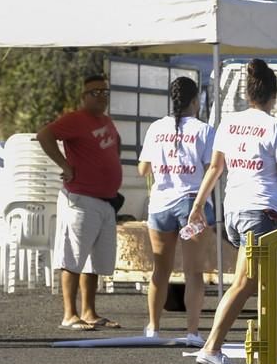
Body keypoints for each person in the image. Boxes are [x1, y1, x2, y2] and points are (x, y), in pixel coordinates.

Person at [188, 59, 277, 364]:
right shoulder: (276, 126)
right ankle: (212, 347)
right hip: (263, 210)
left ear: (247, 93)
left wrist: (198, 204)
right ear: (273, 94)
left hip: (235, 209)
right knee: (245, 282)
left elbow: (215, 168)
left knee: (264, 282)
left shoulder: (228, 122)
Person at [37, 74, 122, 331]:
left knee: (93, 261)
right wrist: (65, 165)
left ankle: (89, 311)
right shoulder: (76, 119)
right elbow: (45, 135)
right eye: (95, 92)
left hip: (105, 200)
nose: (101, 96)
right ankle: (69, 314)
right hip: (81, 198)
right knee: (72, 257)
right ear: (84, 97)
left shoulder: (105, 121)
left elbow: (114, 148)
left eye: (104, 92)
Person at [137, 77, 215, 345]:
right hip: (193, 204)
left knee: (161, 270)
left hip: (160, 203)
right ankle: (192, 332)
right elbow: (211, 169)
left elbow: (143, 169)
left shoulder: (156, 127)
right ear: (195, 101)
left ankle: (153, 328)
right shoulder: (205, 130)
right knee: (194, 272)